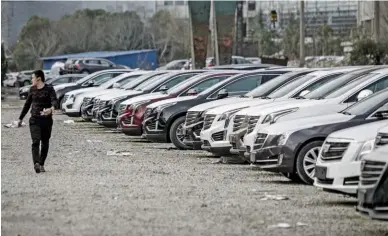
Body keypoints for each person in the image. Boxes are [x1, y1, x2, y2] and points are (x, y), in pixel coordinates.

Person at [18, 70, 57, 173]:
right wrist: (20, 118)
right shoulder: (32, 90)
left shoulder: (49, 89)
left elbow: (54, 101)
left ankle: (42, 163)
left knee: (45, 143)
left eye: (32, 78)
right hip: (34, 120)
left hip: (46, 121)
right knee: (35, 141)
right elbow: (27, 105)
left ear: (38, 78)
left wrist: (51, 109)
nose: (31, 80)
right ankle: (36, 163)